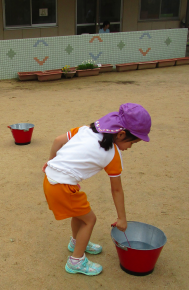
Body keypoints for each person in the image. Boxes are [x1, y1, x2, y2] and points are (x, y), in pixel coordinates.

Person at [42, 103, 151, 276]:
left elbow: (58, 140)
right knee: (89, 220)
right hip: (62, 187)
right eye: (133, 143)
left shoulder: (85, 130)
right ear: (121, 134)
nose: (130, 148)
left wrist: (50, 162)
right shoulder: (113, 154)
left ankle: (76, 242)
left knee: (80, 213)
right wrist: (122, 218)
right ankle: (76, 262)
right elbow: (116, 190)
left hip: (52, 180)